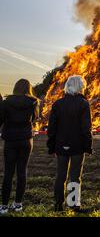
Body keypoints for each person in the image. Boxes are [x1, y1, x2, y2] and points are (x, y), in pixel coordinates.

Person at [47, 75, 93, 212]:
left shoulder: (57, 104)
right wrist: (88, 146)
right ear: (80, 87)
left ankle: (58, 205)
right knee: (75, 176)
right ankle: (73, 205)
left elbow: (51, 129)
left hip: (61, 146)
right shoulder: (84, 104)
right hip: (77, 146)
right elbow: (86, 129)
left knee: (60, 175)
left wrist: (52, 146)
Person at [0, 79, 38, 214]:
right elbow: (34, 118)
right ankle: (18, 204)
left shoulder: (6, 103)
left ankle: (4, 206)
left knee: (8, 174)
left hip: (10, 140)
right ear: (28, 88)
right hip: (26, 140)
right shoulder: (33, 102)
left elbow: (1, 119)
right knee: (22, 172)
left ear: (15, 88)